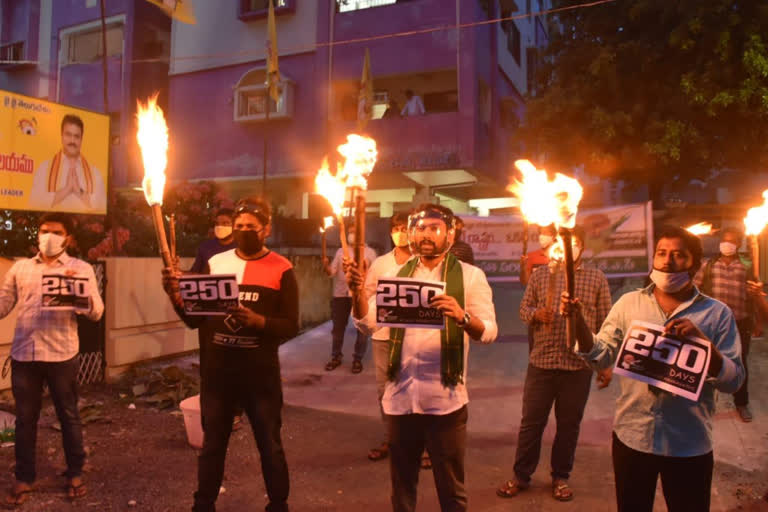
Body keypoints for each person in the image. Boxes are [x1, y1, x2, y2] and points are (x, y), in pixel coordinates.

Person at [562, 226, 744, 512]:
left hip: (689, 443)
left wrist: (705, 346)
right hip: (633, 437)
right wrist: (579, 323)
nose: (667, 261)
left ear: (695, 264)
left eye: (678, 255)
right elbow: (600, 358)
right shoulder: (628, 303)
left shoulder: (717, 313)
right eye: (661, 253)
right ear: (653, 259)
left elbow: (734, 381)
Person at [347, 203, 498, 512]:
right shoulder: (394, 275)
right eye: (419, 228)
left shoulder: (470, 277)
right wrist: (357, 294)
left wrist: (463, 316)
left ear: (450, 234)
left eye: (434, 228)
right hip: (400, 399)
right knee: (402, 487)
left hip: (446, 401)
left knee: (451, 490)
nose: (425, 234)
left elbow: (490, 331)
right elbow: (368, 322)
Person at [161, 197, 299, 512]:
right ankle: (203, 504)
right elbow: (194, 319)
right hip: (218, 376)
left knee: (270, 446)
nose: (244, 231)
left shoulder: (282, 268)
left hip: (260, 377)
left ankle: (278, 504)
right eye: (239, 227)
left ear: (266, 230)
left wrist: (259, 322)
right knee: (212, 447)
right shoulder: (215, 264)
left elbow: (291, 325)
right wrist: (174, 296)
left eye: (252, 226)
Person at [497, 227, 611, 502]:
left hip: (577, 366)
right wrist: (538, 314)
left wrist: (605, 364)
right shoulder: (540, 276)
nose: (563, 248)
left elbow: (607, 323)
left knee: (569, 425)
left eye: (571, 243)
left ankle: (561, 477)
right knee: (531, 423)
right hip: (542, 364)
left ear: (581, 246)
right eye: (558, 243)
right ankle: (521, 476)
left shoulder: (596, 278)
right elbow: (524, 310)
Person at [0, 212, 104, 506]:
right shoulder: (21, 268)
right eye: (44, 230)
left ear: (67, 237)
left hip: (62, 354)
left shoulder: (80, 268)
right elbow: (4, 303)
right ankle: (24, 478)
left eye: (56, 232)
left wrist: (78, 297)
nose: (48, 236)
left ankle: (74, 473)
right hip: (25, 354)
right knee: (25, 420)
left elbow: (97, 311)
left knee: (68, 416)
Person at [363, 212, 414, 463]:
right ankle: (390, 438)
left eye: (405, 227)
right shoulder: (380, 263)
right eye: (396, 227)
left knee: (416, 388)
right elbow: (368, 294)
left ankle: (421, 446)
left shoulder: (425, 263)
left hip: (415, 338)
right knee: (385, 389)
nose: (400, 232)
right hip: (383, 337)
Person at [693, 226, 755, 422]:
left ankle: (742, 403)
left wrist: (758, 322)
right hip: (714, 323)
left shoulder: (747, 266)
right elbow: (695, 288)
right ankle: (704, 402)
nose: (726, 244)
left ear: (737, 244)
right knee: (706, 360)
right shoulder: (708, 265)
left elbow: (754, 295)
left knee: (740, 363)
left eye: (731, 240)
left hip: (741, 322)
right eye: (724, 240)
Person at [323, 224, 376, 373]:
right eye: (349, 232)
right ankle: (336, 357)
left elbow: (374, 275)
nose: (351, 235)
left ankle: (357, 359)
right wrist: (326, 266)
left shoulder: (370, 253)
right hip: (340, 295)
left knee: (362, 330)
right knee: (338, 329)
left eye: (354, 232)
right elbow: (332, 272)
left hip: (361, 296)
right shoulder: (341, 252)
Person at [29, 115, 107, 213]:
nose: (72, 141)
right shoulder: (44, 168)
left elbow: (101, 206)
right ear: (61, 135)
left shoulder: (95, 173)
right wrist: (66, 190)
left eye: (76, 136)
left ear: (81, 139)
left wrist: (79, 191)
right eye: (68, 135)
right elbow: (34, 203)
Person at [189, 208, 236, 274]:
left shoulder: (242, 247)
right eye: (217, 223)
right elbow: (195, 273)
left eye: (225, 223)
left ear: (235, 225)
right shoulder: (205, 247)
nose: (220, 226)